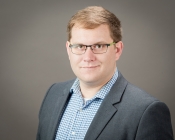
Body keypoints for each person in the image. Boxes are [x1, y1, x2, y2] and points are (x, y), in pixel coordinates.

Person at [36, 6, 174, 140]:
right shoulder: (53, 94)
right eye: (79, 46)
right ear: (68, 49)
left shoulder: (146, 111)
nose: (88, 57)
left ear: (117, 50)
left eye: (99, 46)